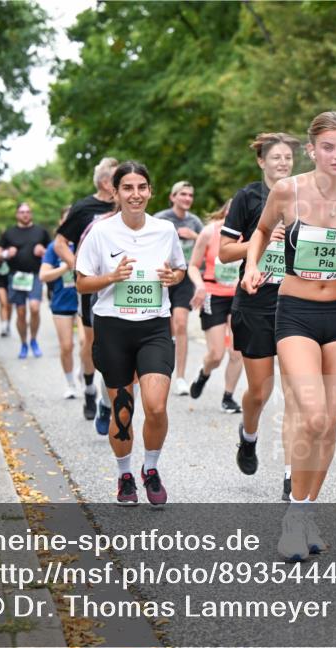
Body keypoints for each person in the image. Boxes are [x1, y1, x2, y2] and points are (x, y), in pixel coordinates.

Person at [242, 112, 336, 561]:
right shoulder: (288, 191)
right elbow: (262, 231)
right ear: (312, 150)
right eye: (329, 147)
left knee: (331, 424)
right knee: (315, 418)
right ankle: (294, 518)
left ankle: (304, 514)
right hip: (296, 312)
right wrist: (251, 265)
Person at [75, 160, 187, 506]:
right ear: (115, 192)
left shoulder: (165, 231)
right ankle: (124, 475)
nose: (135, 194)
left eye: (141, 187)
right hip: (113, 328)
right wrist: (111, 277)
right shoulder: (101, 232)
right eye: (128, 188)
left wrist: (173, 278)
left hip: (153, 326)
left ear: (150, 191)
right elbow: (81, 282)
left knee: (155, 405)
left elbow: (179, 269)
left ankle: (149, 469)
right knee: (123, 411)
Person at [219, 132, 300, 498]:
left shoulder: (305, 196)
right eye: (276, 157)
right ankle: (248, 435)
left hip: (297, 302)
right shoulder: (248, 198)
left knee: (297, 392)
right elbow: (223, 252)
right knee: (260, 390)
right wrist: (261, 240)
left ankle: (291, 475)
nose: (283, 163)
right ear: (261, 161)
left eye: (288, 157)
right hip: (255, 303)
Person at [54, 157, 119, 425]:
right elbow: (60, 243)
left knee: (116, 343)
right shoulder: (84, 208)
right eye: (119, 178)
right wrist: (79, 267)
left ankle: (109, 398)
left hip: (121, 284)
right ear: (106, 182)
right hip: (92, 287)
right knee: (90, 343)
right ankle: (90, 390)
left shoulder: (128, 205)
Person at [186, 200, 244, 413]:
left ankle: (228, 397)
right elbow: (193, 266)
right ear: (226, 211)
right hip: (213, 295)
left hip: (239, 297)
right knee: (217, 354)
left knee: (237, 351)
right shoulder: (210, 232)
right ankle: (204, 372)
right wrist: (199, 286)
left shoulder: (249, 234)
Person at [154, 181, 204, 396]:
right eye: (182, 194)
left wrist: (195, 237)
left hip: (184, 278)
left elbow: (207, 244)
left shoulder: (195, 222)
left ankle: (181, 377)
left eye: (190, 195)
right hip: (162, 276)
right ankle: (161, 370)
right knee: (166, 328)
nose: (187, 198)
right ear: (173, 197)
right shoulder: (160, 218)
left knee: (181, 323)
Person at [41, 207, 83, 398]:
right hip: (62, 302)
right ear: (61, 224)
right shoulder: (53, 248)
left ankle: (84, 372)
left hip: (84, 300)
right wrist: (65, 267)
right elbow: (44, 275)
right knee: (67, 346)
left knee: (86, 342)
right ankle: (70, 384)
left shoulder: (85, 243)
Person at [0, 202, 51, 359]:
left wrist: (43, 252)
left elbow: (52, 251)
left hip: (35, 274)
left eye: (28, 212)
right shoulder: (9, 233)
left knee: (35, 308)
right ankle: (23, 343)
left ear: (31, 214)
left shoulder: (41, 231)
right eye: (22, 212)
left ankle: (34, 340)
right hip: (16, 276)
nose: (25, 214)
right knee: (20, 313)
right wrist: (7, 253)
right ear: (17, 214)